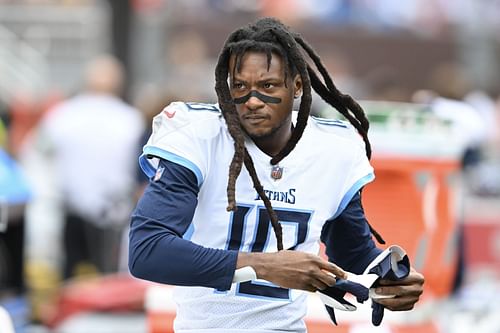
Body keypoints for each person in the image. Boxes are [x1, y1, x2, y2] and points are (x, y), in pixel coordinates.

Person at [129, 17, 424, 332]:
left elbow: (352, 251)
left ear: (297, 86)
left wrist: (388, 279)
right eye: (240, 86)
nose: (252, 100)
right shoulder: (200, 138)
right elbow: (147, 250)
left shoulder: (331, 149)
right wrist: (263, 266)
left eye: (267, 85)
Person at [28, 54, 144, 280]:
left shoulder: (63, 114)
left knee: (68, 275)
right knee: (108, 278)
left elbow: (36, 152)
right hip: (113, 210)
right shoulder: (130, 119)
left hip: (70, 208)